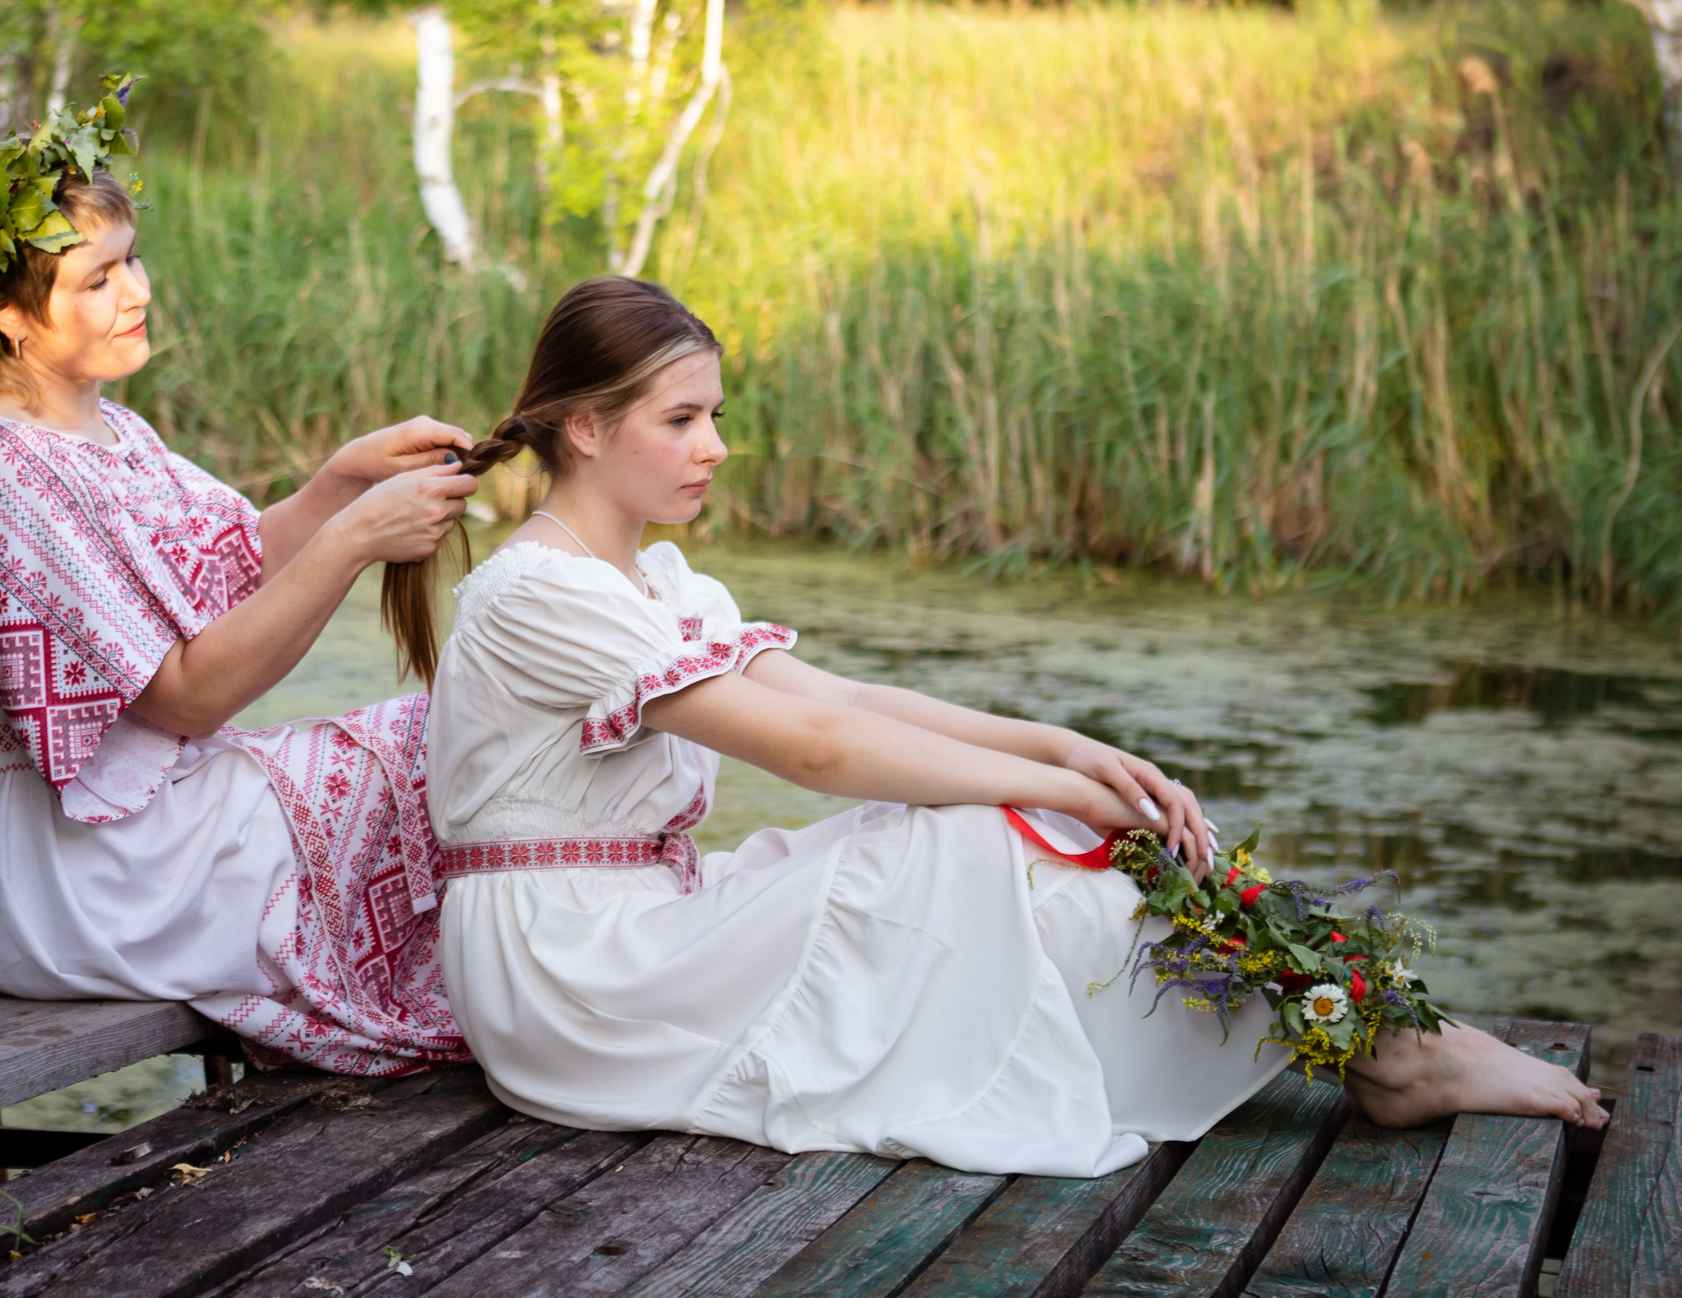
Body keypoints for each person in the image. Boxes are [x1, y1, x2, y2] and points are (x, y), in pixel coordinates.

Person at [401, 275, 1608, 1174]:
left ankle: (1379, 1039)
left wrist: (1064, 751)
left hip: (646, 928)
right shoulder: (538, 592)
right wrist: (1065, 800)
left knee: (1009, 828)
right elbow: (813, 755)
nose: (716, 447)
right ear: (586, 427)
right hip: (570, 977)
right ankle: (1383, 1047)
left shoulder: (659, 586)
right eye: (682, 420)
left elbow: (851, 703)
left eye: (716, 414)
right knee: (964, 835)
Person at [0, 90, 476, 1074]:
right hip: (61, 882)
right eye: (98, 279)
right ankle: (540, 1008)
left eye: (130, 259)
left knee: (455, 727)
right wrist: (351, 543)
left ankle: (544, 984)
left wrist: (343, 480)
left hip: (132, 840)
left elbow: (235, 562)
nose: (138, 292)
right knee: (440, 745)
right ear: (7, 321)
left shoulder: (107, 431)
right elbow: (183, 694)